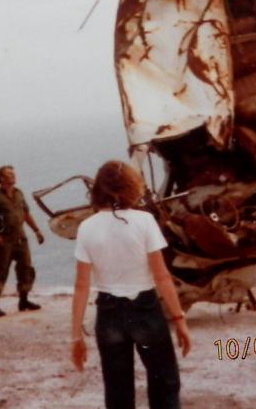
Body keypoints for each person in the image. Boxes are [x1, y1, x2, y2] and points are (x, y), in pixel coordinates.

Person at [71, 161, 191, 409]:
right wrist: (180, 320)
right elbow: (162, 276)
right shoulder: (144, 221)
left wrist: (76, 337)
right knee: (164, 382)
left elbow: (81, 286)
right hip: (145, 310)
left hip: (109, 313)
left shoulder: (86, 227)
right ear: (130, 186)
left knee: (117, 391)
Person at [0, 165, 45, 317]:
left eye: (13, 174)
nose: (13, 176)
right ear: (1, 178)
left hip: (20, 238)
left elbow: (25, 213)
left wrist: (36, 230)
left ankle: (23, 300)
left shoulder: (19, 193)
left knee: (26, 268)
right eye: (9, 174)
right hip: (4, 240)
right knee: (0, 270)